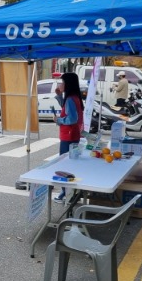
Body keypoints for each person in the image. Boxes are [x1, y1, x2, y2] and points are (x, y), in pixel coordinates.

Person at [54, 72, 84, 203]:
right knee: (72, 164)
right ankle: (70, 192)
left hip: (68, 135)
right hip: (74, 134)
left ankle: (65, 193)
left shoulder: (71, 98)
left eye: (62, 82)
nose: (61, 84)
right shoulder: (74, 97)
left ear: (68, 84)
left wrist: (59, 120)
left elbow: (72, 118)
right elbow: (67, 109)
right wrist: (59, 96)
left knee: (65, 165)